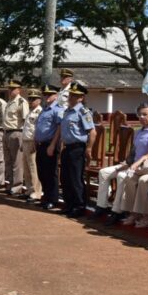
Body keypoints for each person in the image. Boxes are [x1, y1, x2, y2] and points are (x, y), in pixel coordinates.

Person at [92, 102, 148, 225]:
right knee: (104, 172)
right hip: (131, 164)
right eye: (139, 114)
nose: (141, 117)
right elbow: (134, 151)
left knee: (121, 176)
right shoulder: (139, 131)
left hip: (145, 167)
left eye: (145, 114)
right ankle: (101, 206)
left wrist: (135, 166)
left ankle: (117, 211)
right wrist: (126, 163)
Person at [55, 81, 96, 218]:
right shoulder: (67, 111)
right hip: (67, 148)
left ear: (81, 98)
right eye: (70, 95)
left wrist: (89, 149)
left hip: (78, 148)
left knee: (75, 178)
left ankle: (79, 206)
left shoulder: (83, 112)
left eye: (74, 95)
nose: (71, 97)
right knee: (65, 178)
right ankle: (69, 204)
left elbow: (92, 132)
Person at [34, 84, 63, 210]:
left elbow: (59, 127)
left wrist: (52, 145)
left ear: (56, 96)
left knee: (51, 173)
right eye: (45, 94)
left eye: (49, 94)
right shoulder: (44, 109)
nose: (47, 97)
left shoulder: (57, 109)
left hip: (50, 144)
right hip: (40, 144)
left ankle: (53, 199)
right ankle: (46, 196)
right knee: (42, 172)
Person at [3, 80, 29, 195]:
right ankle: (9, 184)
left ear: (19, 90)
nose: (10, 90)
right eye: (9, 88)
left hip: (16, 133)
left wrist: (23, 137)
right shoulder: (9, 101)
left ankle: (17, 187)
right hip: (7, 133)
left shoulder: (21, 102)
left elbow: (25, 120)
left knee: (17, 162)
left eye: (13, 88)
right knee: (8, 161)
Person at [20, 88, 43, 202]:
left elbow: (37, 129)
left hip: (32, 142)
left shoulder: (39, 112)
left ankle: (36, 192)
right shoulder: (30, 111)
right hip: (25, 141)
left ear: (39, 100)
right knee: (26, 168)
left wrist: (35, 142)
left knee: (33, 168)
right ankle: (29, 189)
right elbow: (26, 129)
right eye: (29, 99)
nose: (31, 101)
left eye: (33, 99)